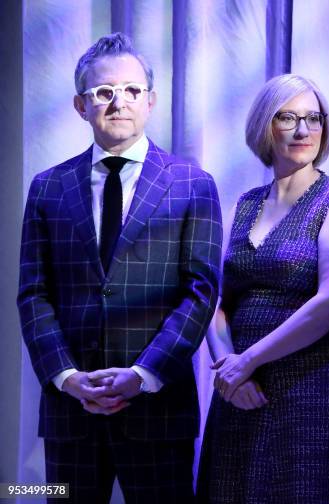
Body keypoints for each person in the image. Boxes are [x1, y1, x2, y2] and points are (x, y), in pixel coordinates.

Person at [17, 33, 222, 503]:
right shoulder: (48, 187)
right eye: (103, 92)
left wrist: (143, 374)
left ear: (150, 101)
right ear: (79, 105)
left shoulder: (192, 184)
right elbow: (33, 294)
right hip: (71, 413)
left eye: (131, 91)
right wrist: (68, 378)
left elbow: (201, 293)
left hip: (157, 409)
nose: (118, 102)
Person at [197, 74, 329, 503]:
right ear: (266, 126)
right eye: (288, 117)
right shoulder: (246, 203)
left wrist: (248, 361)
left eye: (313, 119)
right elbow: (221, 302)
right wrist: (228, 368)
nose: (303, 130)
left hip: (311, 392)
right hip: (242, 395)